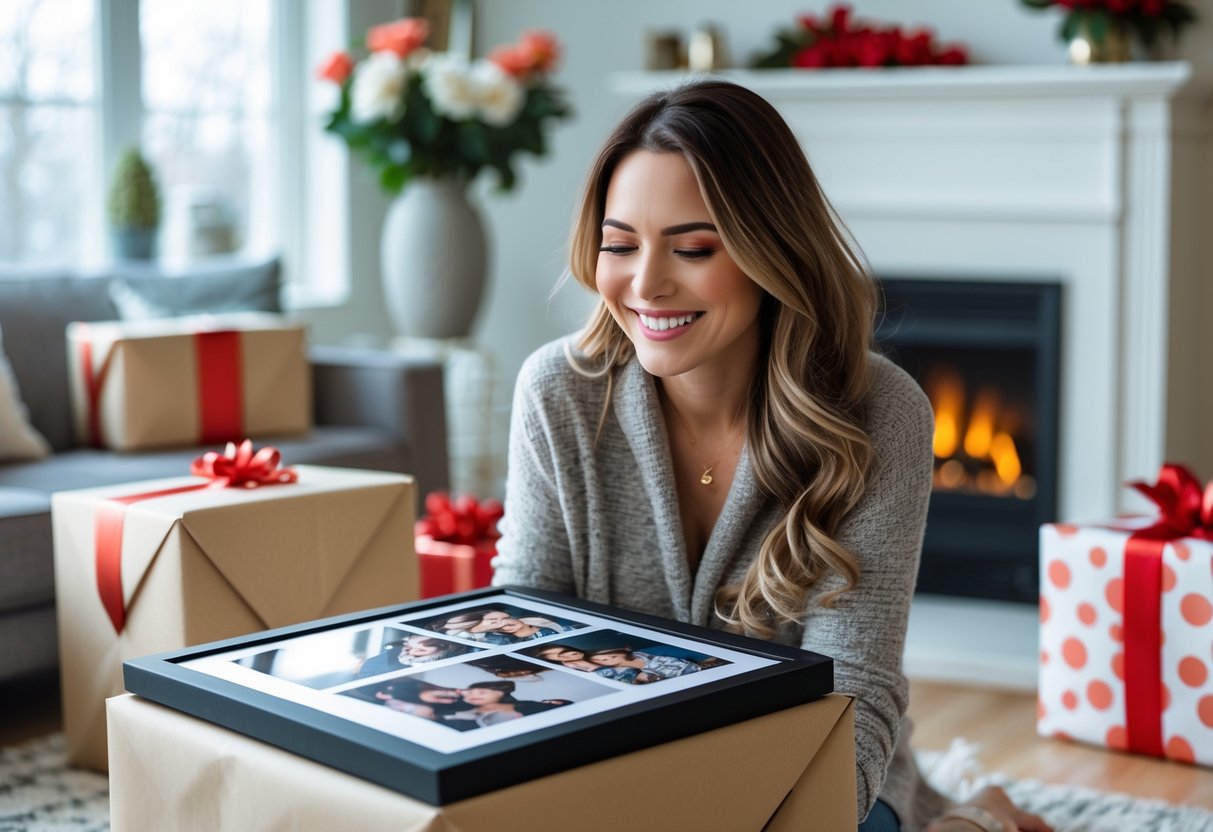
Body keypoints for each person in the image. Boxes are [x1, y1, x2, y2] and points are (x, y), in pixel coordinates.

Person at [491, 79, 1052, 832]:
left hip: (803, 785)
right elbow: (520, 629)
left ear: (770, 250)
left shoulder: (880, 413)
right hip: (613, 784)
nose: (646, 283)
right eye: (619, 245)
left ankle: (975, 818)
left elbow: (854, 689)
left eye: (692, 248)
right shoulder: (556, 392)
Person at [587, 646, 701, 683]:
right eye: (602, 660)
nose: (606, 657)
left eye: (604, 654)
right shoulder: (625, 673)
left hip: (694, 667)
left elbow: (669, 658)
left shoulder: (641, 654)